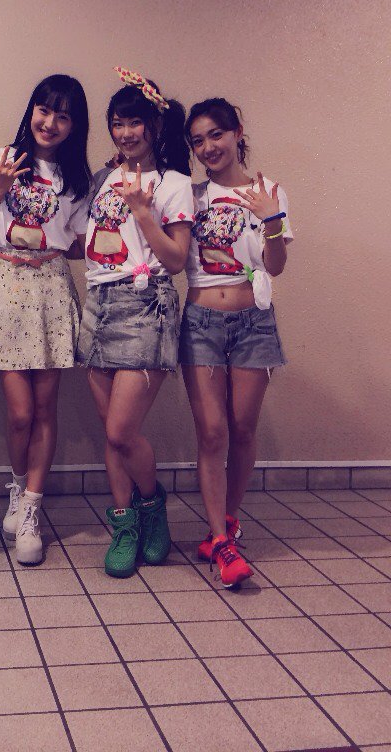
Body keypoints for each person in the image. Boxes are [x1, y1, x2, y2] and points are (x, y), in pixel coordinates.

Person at [0, 74, 92, 564]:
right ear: (31, 110)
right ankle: (17, 490)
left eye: (63, 116)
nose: (51, 122)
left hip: (51, 286)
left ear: (74, 125)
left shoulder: (77, 180)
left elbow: (78, 244)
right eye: (44, 110)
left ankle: (32, 508)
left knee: (45, 408)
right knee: (19, 413)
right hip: (3, 282)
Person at [76, 67, 193, 578]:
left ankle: (152, 504)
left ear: (155, 126)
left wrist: (145, 212)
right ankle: (125, 526)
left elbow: (177, 259)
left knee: (123, 431)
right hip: (98, 304)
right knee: (111, 433)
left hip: (146, 305)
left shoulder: (175, 184)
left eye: (134, 122)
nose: (125, 133)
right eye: (117, 123)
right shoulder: (103, 179)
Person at [181, 97, 292, 588]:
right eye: (198, 141)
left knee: (243, 429)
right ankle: (223, 543)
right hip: (202, 321)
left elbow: (276, 266)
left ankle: (224, 522)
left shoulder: (270, 192)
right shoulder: (191, 196)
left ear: (236, 132)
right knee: (211, 432)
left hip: (254, 323)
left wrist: (272, 220)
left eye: (216, 135)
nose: (208, 147)